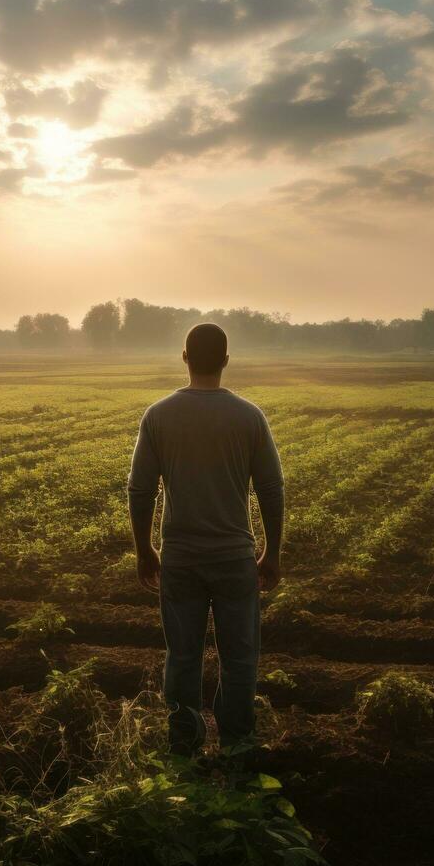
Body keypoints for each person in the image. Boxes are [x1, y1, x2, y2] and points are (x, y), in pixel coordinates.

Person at [127, 323, 285, 757]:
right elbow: (271, 489)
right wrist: (272, 550)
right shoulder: (249, 416)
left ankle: (184, 746)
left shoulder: (158, 415)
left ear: (184, 357)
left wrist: (145, 550)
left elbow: (140, 491)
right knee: (239, 659)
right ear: (227, 361)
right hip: (235, 559)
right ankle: (237, 746)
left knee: (182, 658)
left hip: (180, 559)